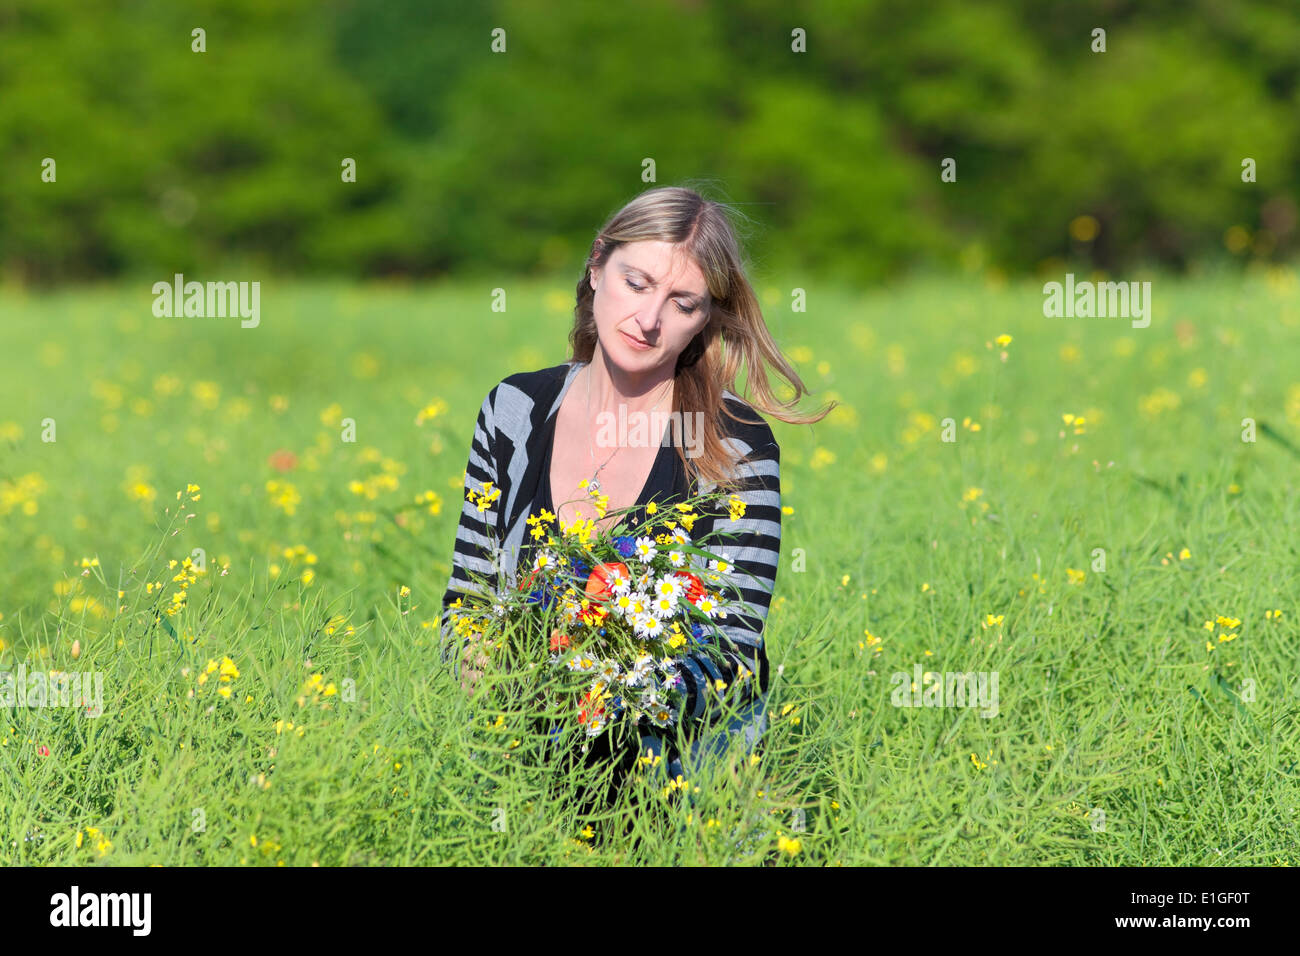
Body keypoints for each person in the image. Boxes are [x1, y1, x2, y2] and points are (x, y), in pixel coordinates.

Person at [438, 184, 835, 818]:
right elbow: (467, 595)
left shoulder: (733, 445)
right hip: (524, 770)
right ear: (596, 266)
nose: (649, 320)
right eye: (636, 281)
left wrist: (584, 685)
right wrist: (476, 659)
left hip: (687, 782)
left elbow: (730, 651)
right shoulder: (513, 411)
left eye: (683, 302)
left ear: (706, 316)